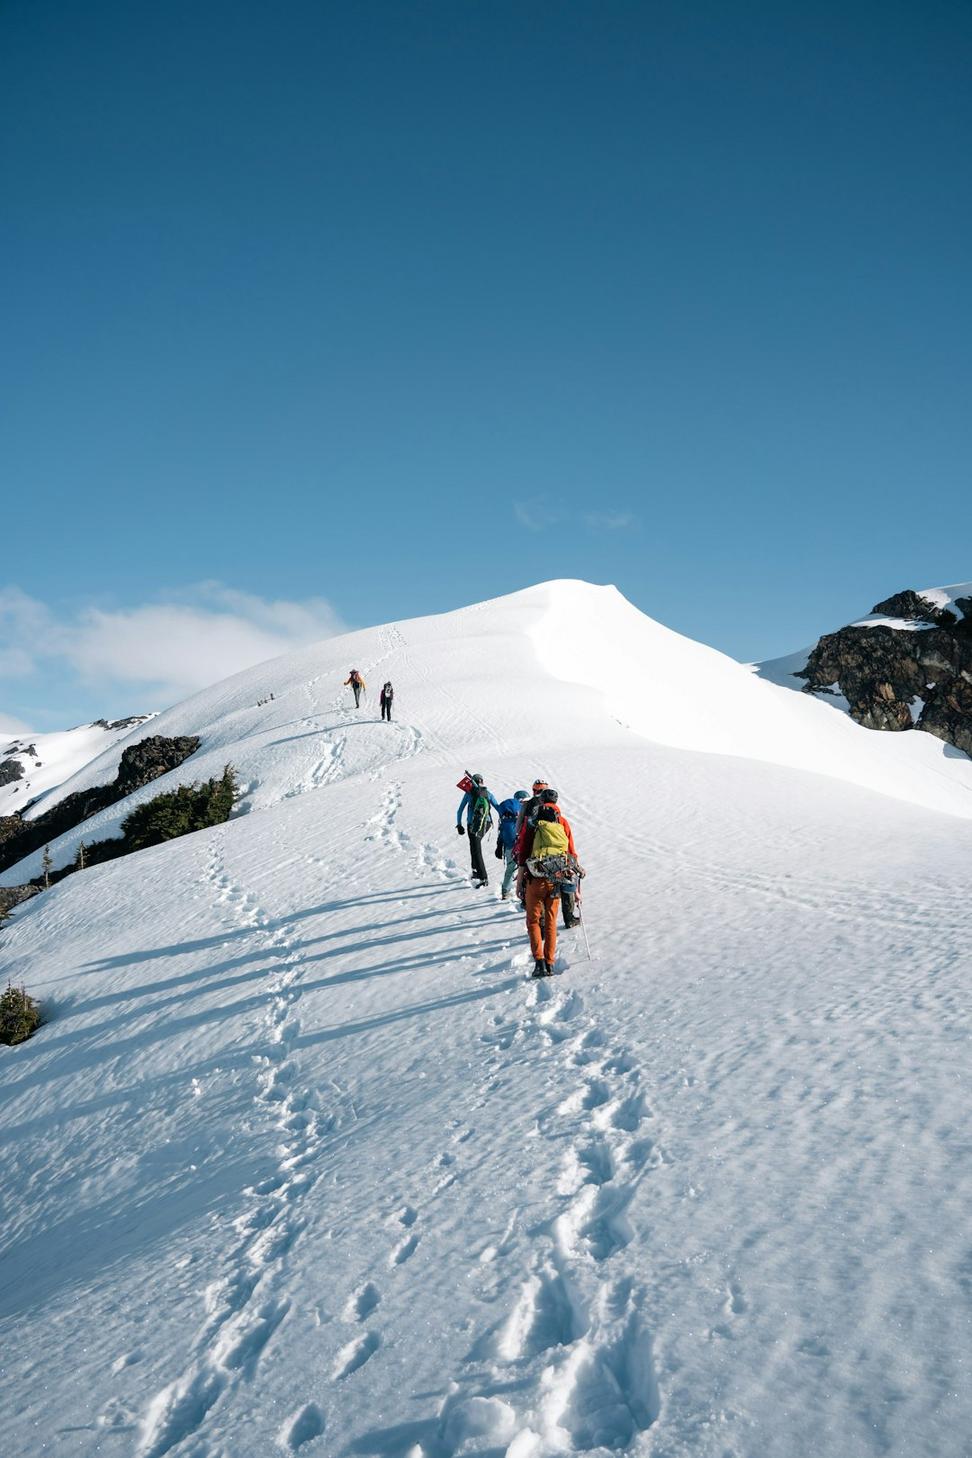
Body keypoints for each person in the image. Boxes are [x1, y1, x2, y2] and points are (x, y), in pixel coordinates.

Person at [516, 802, 582, 976]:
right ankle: (550, 963)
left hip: (536, 880)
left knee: (533, 921)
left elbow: (523, 856)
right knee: (552, 922)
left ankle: (539, 962)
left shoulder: (534, 829)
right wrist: (575, 889)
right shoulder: (561, 828)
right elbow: (571, 854)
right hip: (556, 879)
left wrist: (518, 883)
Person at [456, 773, 501, 888]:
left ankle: (483, 878)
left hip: (473, 825)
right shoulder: (487, 793)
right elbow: (498, 808)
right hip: (486, 824)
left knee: (476, 850)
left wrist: (459, 825)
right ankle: (476, 872)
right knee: (474, 846)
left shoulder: (469, 794)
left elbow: (459, 811)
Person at [494, 790, 529, 900]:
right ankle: (526, 892)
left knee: (510, 868)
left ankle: (505, 891)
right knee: (527, 868)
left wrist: (499, 846)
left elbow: (501, 831)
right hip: (523, 844)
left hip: (509, 845)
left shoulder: (506, 813)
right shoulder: (525, 811)